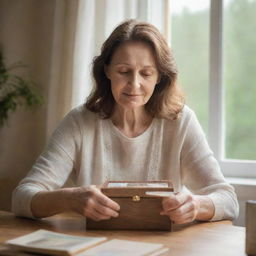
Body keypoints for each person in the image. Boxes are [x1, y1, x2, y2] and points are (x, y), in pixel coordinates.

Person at [12, 19, 239, 225]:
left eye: (146, 73)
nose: (134, 85)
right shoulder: (79, 122)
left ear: (160, 76)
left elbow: (229, 200)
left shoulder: (181, 121)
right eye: (124, 71)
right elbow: (22, 197)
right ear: (107, 70)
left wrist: (196, 205)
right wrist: (70, 199)